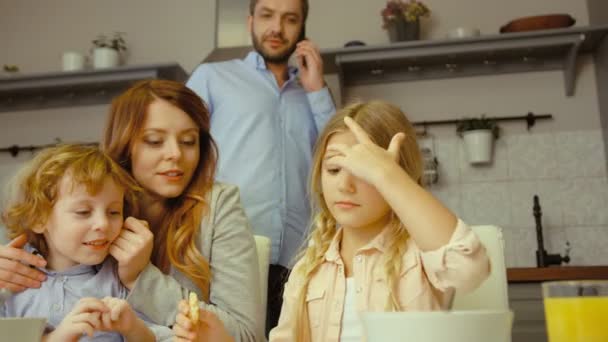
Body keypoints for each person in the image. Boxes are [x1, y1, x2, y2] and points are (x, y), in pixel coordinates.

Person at [0, 80, 262, 342]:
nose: (175, 154)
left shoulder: (218, 204)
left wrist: (141, 277)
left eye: (188, 141)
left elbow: (244, 335)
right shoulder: (75, 195)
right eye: (154, 140)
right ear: (124, 144)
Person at [269, 101, 491, 342]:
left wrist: (387, 174)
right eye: (333, 169)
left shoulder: (419, 256)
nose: (345, 185)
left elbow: (469, 269)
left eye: (364, 171)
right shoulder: (307, 270)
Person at [186, 0, 336, 333]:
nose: (277, 28)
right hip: (228, 258)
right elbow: (178, 150)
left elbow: (338, 154)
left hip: (300, 261)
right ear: (251, 20)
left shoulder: (313, 92)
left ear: (302, 29)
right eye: (267, 15)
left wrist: (318, 90)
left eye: (290, 19)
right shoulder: (211, 78)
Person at [0, 143, 171, 341]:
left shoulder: (121, 279)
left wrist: (133, 328)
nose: (103, 224)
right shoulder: (11, 279)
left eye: (113, 212)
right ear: (38, 219)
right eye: (83, 212)